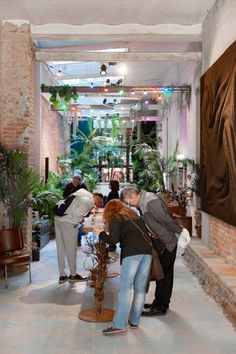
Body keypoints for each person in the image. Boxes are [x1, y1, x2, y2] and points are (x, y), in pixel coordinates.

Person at [92, 200, 152, 336]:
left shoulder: (115, 218)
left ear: (109, 211)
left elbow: (113, 240)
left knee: (125, 289)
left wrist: (100, 233)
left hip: (132, 254)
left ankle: (119, 325)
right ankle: (134, 321)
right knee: (140, 289)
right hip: (147, 253)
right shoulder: (135, 216)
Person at [120, 186, 182, 316]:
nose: (128, 204)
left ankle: (160, 306)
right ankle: (159, 302)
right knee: (163, 273)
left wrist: (181, 232)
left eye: (127, 201)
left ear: (132, 196)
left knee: (164, 275)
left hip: (168, 242)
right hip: (163, 241)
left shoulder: (149, 201)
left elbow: (167, 219)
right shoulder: (142, 203)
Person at [54, 188, 94, 284]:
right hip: (68, 223)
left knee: (61, 248)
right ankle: (73, 274)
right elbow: (77, 215)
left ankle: (62, 276)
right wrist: (83, 220)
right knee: (71, 249)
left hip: (58, 220)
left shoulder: (76, 195)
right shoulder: (88, 201)